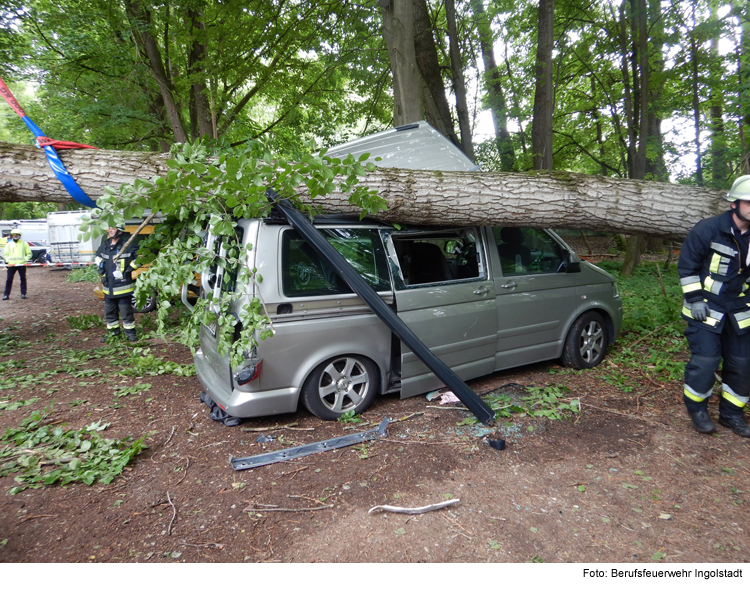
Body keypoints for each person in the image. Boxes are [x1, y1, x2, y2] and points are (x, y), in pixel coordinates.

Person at [679, 174, 750, 437]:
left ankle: (732, 415)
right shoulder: (708, 229)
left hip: (740, 311)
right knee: (706, 362)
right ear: (734, 203)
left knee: (742, 364)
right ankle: (698, 410)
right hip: (706, 309)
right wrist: (695, 300)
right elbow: (687, 267)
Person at [95, 225, 138, 342]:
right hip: (108, 288)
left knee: (126, 313)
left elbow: (140, 258)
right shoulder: (105, 244)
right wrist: (101, 272)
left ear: (120, 231)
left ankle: (130, 334)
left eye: (113, 228)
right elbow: (98, 258)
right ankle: (113, 333)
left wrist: (131, 268)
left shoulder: (127, 245)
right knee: (109, 313)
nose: (110, 230)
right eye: (109, 228)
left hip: (123, 287)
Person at [2, 229, 32, 300]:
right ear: (12, 236)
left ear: (19, 236)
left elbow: (29, 254)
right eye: (14, 235)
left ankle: (23, 293)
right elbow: (5, 254)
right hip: (11, 265)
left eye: (17, 235)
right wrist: (8, 260)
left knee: (23, 279)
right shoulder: (8, 244)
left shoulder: (24, 244)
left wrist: (25, 259)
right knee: (9, 279)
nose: (15, 236)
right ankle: (6, 295)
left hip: (21, 264)